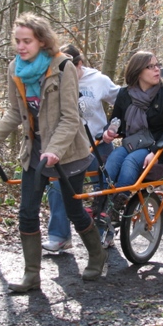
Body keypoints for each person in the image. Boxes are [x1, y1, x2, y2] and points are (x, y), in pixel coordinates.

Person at [0, 13, 107, 291]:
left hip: (67, 150)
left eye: (27, 41)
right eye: (17, 41)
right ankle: (31, 275)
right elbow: (14, 113)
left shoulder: (63, 66)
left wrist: (54, 149)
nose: (21, 47)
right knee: (27, 212)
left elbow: (70, 117)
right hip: (34, 150)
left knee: (74, 209)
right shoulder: (15, 68)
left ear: (42, 41)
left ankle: (98, 256)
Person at [43, 44, 120, 252]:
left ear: (79, 64)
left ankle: (105, 233)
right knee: (58, 187)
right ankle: (59, 236)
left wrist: (114, 126)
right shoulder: (53, 79)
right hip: (70, 146)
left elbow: (123, 102)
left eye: (70, 67)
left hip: (98, 143)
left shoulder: (98, 80)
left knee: (103, 188)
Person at [102, 51, 163, 221]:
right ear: (138, 71)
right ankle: (100, 204)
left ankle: (114, 208)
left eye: (157, 65)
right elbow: (116, 120)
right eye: (150, 66)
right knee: (114, 160)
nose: (157, 70)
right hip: (132, 142)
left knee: (130, 162)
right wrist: (110, 131)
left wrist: (155, 151)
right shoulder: (125, 94)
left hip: (156, 144)